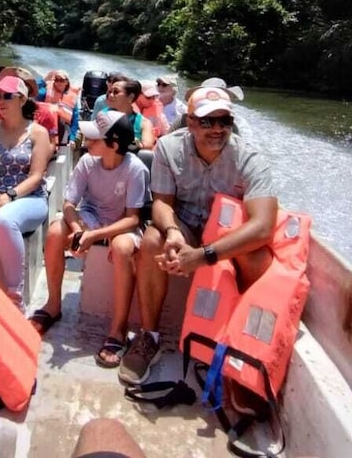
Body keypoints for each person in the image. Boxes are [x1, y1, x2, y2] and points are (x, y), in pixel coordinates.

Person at [118, 86, 277, 386]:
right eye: (207, 121)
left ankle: (244, 350)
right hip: (186, 226)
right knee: (152, 240)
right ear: (190, 122)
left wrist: (205, 256)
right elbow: (162, 203)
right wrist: (173, 232)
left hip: (227, 236)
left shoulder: (250, 159)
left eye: (224, 121)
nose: (217, 129)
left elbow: (263, 226)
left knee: (259, 259)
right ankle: (149, 337)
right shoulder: (168, 148)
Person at [28, 111, 149, 368]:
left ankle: (118, 329)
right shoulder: (86, 162)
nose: (87, 141)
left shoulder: (135, 169)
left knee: (122, 247)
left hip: (120, 223)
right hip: (90, 217)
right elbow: (69, 203)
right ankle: (53, 305)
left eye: (94, 138)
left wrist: (94, 235)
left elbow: (132, 219)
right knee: (55, 232)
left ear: (113, 145)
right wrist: (77, 229)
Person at [0, 75, 52, 311]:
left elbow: (36, 176)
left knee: (2, 220)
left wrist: (9, 196)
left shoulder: (38, 133)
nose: (0, 101)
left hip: (30, 198)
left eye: (7, 96)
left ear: (22, 99)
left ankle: (15, 298)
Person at [105, 77, 156, 151]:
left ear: (130, 97)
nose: (110, 95)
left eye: (116, 92)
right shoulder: (103, 115)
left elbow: (148, 145)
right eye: (110, 91)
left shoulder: (144, 123)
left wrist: (131, 142)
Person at [44, 69, 78, 145]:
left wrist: (72, 138)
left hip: (63, 131)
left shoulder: (73, 97)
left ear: (66, 82)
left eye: (61, 80)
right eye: (56, 80)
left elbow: (75, 119)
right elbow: (33, 93)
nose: (58, 82)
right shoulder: (45, 92)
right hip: (47, 129)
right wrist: (45, 79)